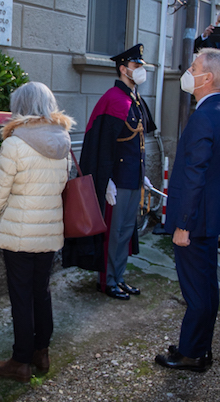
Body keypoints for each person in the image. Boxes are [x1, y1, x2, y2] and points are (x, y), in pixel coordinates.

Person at [155, 48, 220, 372]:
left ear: (208, 77)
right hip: (211, 214)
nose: (188, 71)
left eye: (193, 67)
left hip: (196, 219)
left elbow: (195, 175)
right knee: (206, 285)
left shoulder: (205, 115)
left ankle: (192, 353)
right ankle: (200, 347)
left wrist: (183, 224)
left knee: (196, 290)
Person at [0, 82, 74, 382]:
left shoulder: (14, 143)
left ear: (21, 106)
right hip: (50, 232)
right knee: (42, 292)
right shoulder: (62, 140)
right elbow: (64, 184)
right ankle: (42, 351)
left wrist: (0, 221)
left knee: (21, 298)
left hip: (19, 233)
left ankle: (20, 361)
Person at [62, 44, 156, 300]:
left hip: (132, 179)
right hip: (117, 181)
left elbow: (138, 142)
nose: (140, 70)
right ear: (123, 69)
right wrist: (106, 182)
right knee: (112, 234)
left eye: (141, 66)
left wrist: (142, 173)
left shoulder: (134, 99)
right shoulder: (113, 100)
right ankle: (107, 281)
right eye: (137, 66)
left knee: (126, 232)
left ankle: (119, 277)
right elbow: (102, 146)